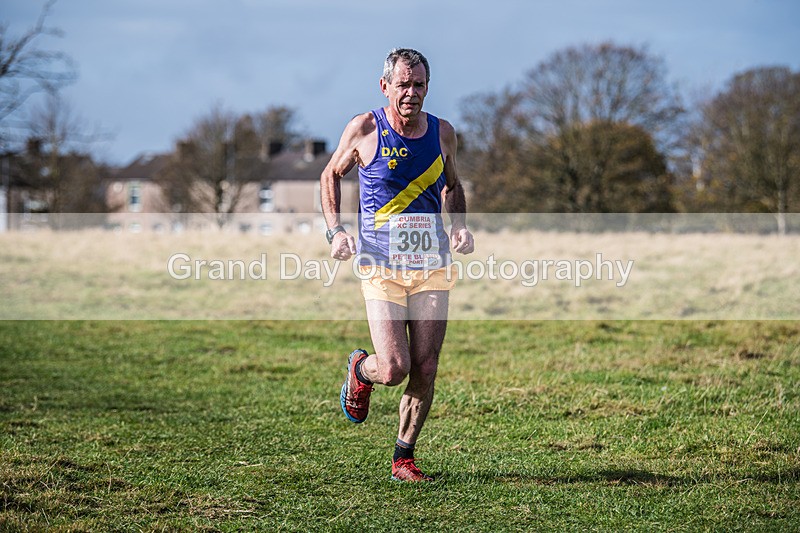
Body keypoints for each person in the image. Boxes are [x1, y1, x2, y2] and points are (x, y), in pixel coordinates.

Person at [320, 48, 474, 482]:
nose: (411, 93)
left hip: (432, 265)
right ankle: (360, 369)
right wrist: (336, 231)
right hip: (381, 264)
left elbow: (453, 185)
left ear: (428, 87)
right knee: (393, 367)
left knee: (425, 366)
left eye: (419, 85)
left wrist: (459, 226)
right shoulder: (366, 128)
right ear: (385, 86)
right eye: (403, 84)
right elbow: (331, 174)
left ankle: (403, 459)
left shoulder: (444, 133)